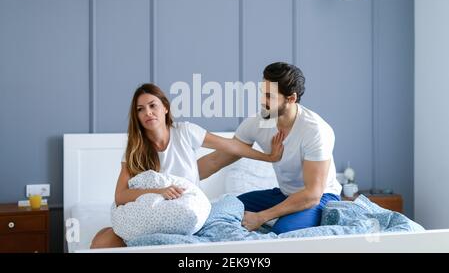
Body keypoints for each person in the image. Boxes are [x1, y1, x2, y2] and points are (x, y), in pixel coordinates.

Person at [90, 83, 284, 248]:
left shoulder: (185, 132)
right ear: (137, 116)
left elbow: (231, 146)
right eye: (140, 109)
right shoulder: (135, 149)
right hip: (156, 214)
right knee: (101, 241)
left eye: (152, 105)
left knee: (230, 204)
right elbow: (120, 196)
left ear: (165, 107)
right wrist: (158, 192)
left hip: (191, 210)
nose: (147, 112)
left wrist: (268, 157)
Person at [198, 62, 342, 234]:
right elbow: (216, 160)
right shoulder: (257, 122)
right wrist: (176, 179)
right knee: (225, 208)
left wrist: (261, 217)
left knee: (283, 232)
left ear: (291, 98)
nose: (261, 101)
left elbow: (312, 194)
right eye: (262, 93)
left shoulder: (315, 131)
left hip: (320, 197)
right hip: (284, 194)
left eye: (269, 96)